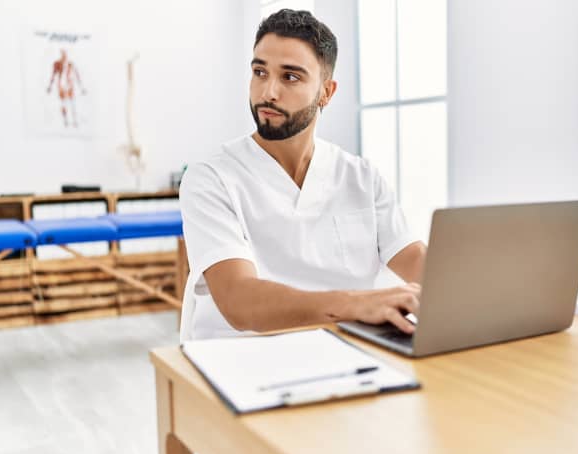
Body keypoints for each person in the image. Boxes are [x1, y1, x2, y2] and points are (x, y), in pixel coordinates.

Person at [179, 9, 426, 339]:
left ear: (326, 91)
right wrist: (357, 304)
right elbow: (239, 301)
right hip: (238, 366)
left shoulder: (362, 177)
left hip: (349, 355)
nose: (268, 92)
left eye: (290, 77)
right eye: (260, 72)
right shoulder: (210, 178)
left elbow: (416, 261)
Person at [46, 49, 86, 128]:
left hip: (69, 85)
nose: (64, 56)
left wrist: (81, 87)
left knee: (72, 103)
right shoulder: (57, 64)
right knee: (63, 103)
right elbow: (53, 75)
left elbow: (77, 75)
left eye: (65, 54)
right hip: (61, 85)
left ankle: (74, 121)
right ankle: (66, 121)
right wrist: (50, 86)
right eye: (62, 54)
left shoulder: (70, 64)